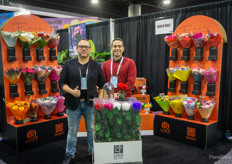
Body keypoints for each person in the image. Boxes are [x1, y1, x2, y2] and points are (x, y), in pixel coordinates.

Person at [59, 39, 106, 164]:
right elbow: (61, 83)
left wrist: (99, 100)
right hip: (73, 104)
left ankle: (93, 153)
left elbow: (102, 84)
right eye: (81, 46)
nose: (84, 49)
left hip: (90, 103)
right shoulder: (69, 64)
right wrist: (72, 91)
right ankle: (69, 154)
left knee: (91, 130)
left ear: (90, 49)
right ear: (77, 49)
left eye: (86, 47)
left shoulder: (96, 65)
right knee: (72, 131)